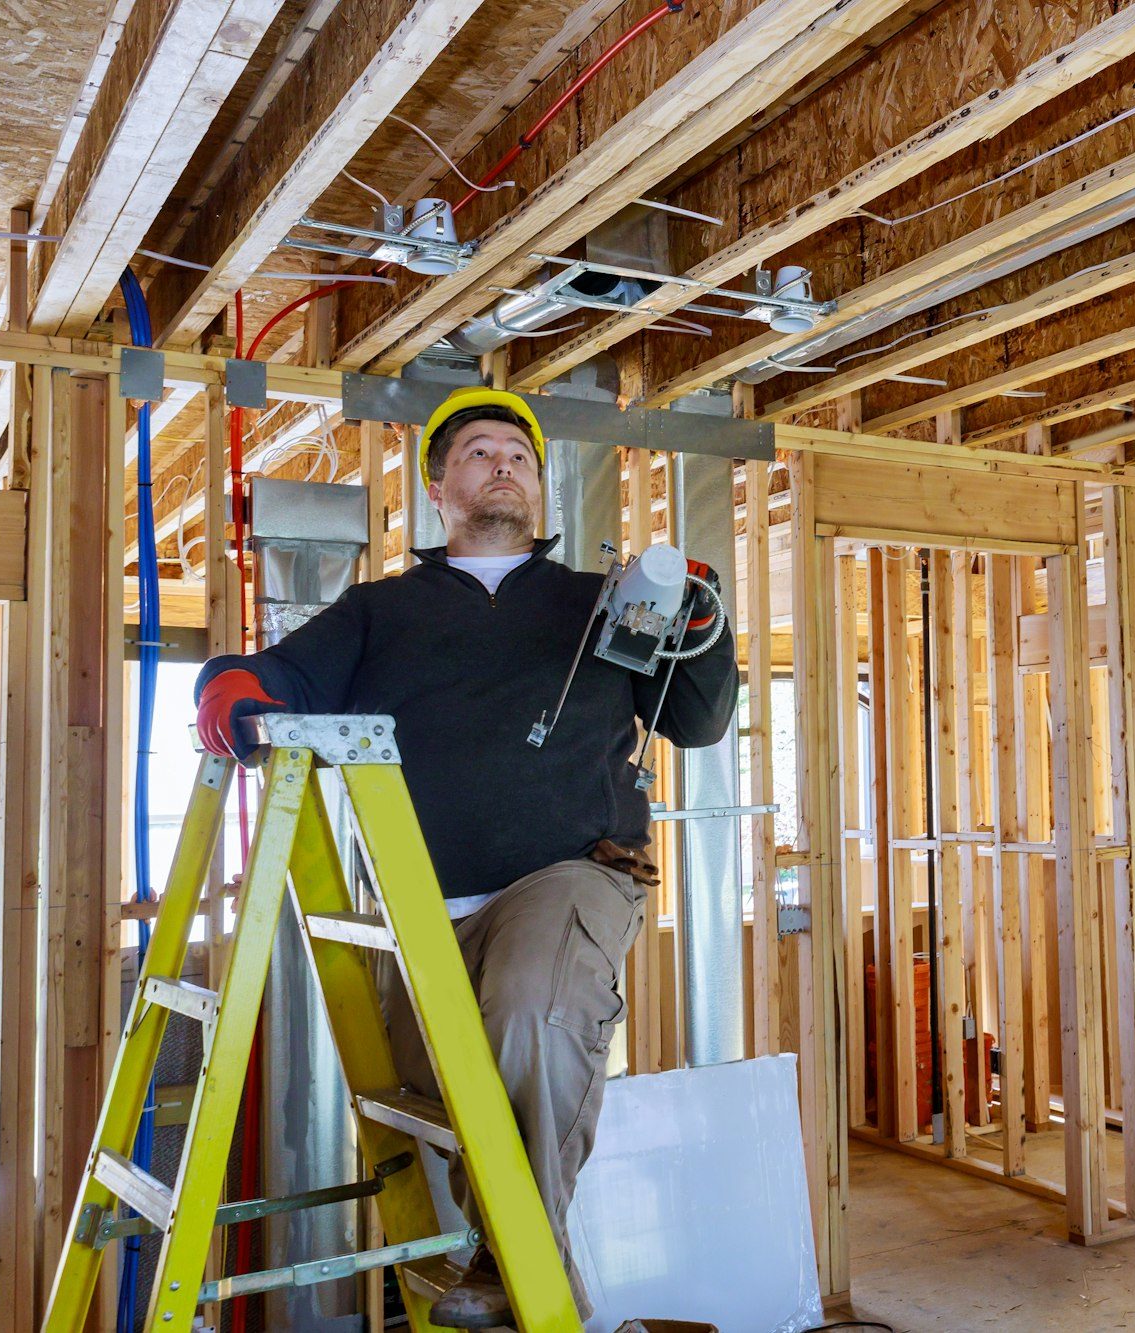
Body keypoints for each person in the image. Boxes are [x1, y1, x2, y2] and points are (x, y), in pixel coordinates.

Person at [193, 386, 736, 1326]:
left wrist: (697, 625)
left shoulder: (599, 602)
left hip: (570, 873)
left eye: (519, 456)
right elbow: (274, 675)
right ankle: (515, 1263)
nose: (503, 465)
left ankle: (527, 1279)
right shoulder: (379, 612)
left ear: (539, 491)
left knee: (533, 1010)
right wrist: (228, 690)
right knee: (456, 1099)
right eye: (479, 452)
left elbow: (696, 719)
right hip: (420, 905)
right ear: (439, 488)